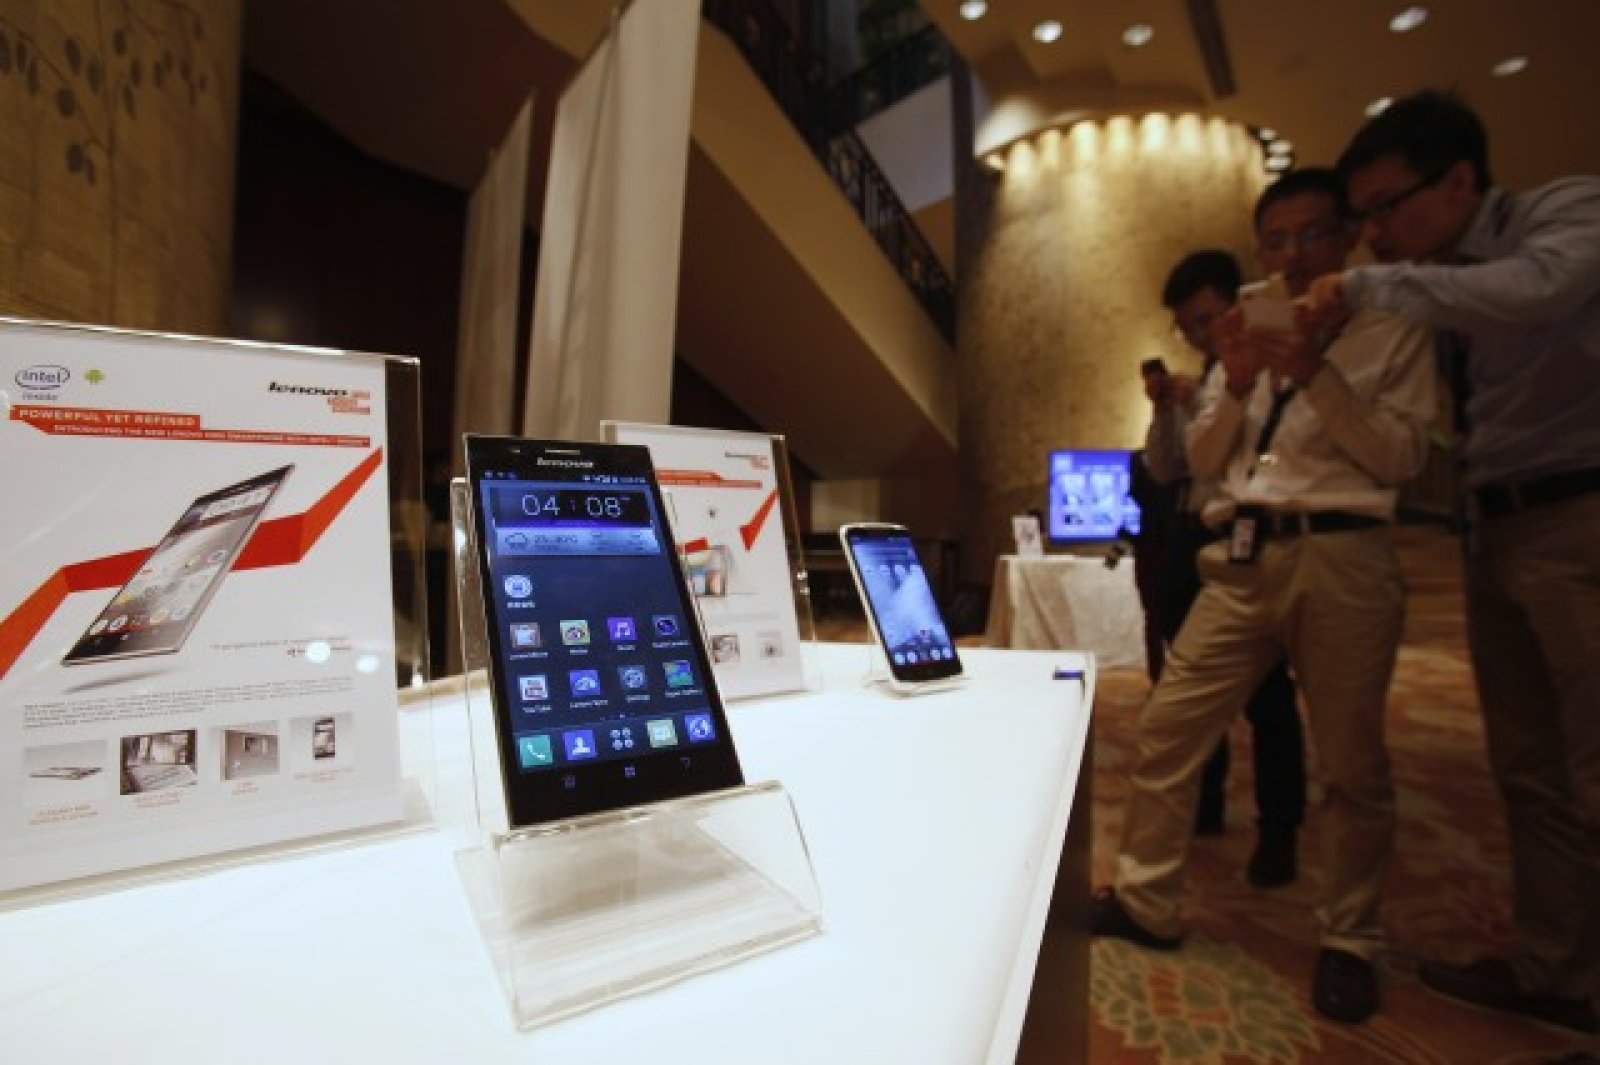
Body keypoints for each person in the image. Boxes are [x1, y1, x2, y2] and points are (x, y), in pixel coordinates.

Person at [1092, 168, 1437, 1025]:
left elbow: (1399, 458)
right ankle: (1145, 898)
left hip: (1343, 554)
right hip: (1242, 559)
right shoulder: (1242, 348)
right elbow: (1205, 460)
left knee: (1352, 763)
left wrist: (1315, 372)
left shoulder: (1393, 329)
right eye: (1276, 241)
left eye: (1311, 235)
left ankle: (1350, 936)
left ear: (1348, 237)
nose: (1293, 255)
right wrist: (1240, 382)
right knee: (1170, 722)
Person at [1304, 89, 1600, 1038]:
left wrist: (1365, 286)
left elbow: (1540, 290)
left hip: (1579, 512)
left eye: (1385, 207)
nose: (1374, 232)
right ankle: (1557, 971)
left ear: (1460, 181)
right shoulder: (1434, 289)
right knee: (1529, 767)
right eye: (1365, 216)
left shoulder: (1564, 211)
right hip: (1492, 524)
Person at [1144, 251, 1306, 887]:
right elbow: (1166, 468)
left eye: (1207, 319)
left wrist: (1222, 398)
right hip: (1188, 534)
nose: (1199, 335)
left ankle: (1279, 828)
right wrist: (1166, 410)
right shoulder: (1201, 384)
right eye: (1187, 326)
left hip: (1248, 535)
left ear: (1237, 307)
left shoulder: (1266, 372)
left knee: (1267, 693)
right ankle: (1205, 802)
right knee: (1187, 681)